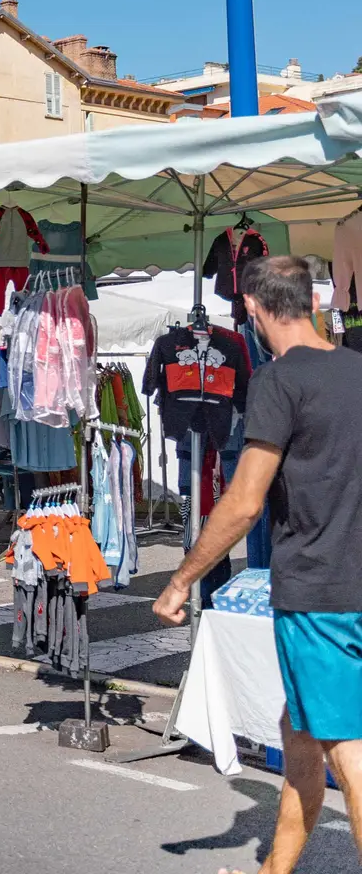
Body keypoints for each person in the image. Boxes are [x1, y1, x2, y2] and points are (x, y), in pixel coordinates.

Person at [152, 256, 362, 874]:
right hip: (349, 584)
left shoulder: (277, 381)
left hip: (320, 591)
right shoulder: (358, 370)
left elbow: (244, 502)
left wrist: (181, 580)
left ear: (250, 308)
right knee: (300, 732)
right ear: (313, 301)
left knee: (347, 749)